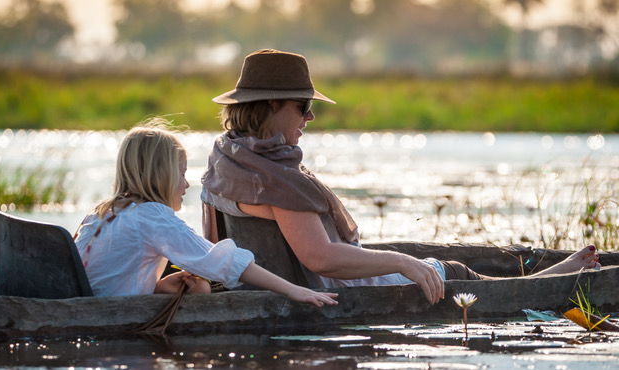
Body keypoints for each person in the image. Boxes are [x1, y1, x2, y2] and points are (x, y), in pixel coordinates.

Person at [200, 48, 601, 305]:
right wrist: (405, 264)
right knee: (452, 273)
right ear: (271, 104)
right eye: (302, 105)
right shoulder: (277, 177)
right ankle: (547, 281)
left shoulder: (224, 160)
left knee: (438, 260)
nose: (310, 116)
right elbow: (320, 258)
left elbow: (214, 248)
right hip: (326, 294)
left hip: (263, 289)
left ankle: (528, 275)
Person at [74, 117, 339, 308]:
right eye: (181, 173)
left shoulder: (102, 212)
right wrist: (294, 290)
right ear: (163, 175)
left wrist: (155, 287)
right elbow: (223, 261)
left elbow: (105, 279)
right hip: (115, 318)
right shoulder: (152, 215)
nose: (187, 184)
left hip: (96, 303)